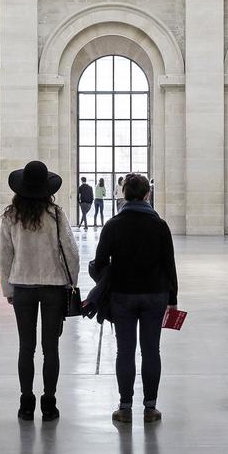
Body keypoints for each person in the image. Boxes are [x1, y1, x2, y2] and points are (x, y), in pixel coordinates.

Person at [91, 172, 178, 425]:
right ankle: (150, 408)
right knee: (152, 350)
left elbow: (99, 262)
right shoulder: (160, 225)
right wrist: (172, 298)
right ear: (147, 194)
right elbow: (169, 265)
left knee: (125, 351)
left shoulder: (113, 225)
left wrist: (104, 281)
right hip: (155, 295)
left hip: (122, 296)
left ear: (124, 194)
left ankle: (125, 407)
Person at [0, 160, 80, 423]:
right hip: (53, 287)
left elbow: (6, 256)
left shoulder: (10, 215)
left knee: (26, 347)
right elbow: (71, 251)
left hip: (22, 286)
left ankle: (25, 402)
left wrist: (8, 288)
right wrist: (71, 283)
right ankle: (49, 403)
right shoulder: (56, 214)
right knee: (51, 349)